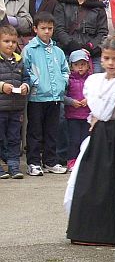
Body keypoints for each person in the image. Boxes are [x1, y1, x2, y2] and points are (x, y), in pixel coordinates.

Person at [64, 36, 115, 245]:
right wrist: (94, 118)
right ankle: (88, 230)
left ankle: (112, 231)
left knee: (114, 183)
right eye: (107, 58)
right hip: (99, 135)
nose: (110, 63)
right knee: (92, 181)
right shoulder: (94, 81)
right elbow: (96, 110)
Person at [23, 13, 69, 176]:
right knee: (35, 130)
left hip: (55, 97)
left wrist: (63, 82)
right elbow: (25, 70)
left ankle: (50, 160)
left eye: (50, 28)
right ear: (35, 29)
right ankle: (33, 162)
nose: (47, 32)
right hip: (36, 97)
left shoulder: (58, 51)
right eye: (43, 28)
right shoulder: (29, 49)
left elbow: (65, 70)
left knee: (52, 130)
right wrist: (35, 82)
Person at [53, 0, 108, 73]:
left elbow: (102, 33)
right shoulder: (62, 4)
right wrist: (74, 46)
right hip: (67, 54)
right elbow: (59, 29)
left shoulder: (98, 6)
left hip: (92, 56)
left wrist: (89, 48)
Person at [0, 25, 29, 179]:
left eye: (13, 41)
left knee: (14, 138)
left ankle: (13, 166)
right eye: (6, 41)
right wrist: (2, 86)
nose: (10, 44)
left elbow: (27, 78)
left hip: (16, 108)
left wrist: (26, 86)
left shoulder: (19, 61)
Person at [63, 49, 92, 170]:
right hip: (72, 116)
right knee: (73, 140)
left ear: (87, 65)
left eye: (82, 64)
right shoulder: (68, 80)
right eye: (76, 65)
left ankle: (84, 161)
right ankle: (72, 161)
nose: (80, 67)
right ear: (71, 66)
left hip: (87, 116)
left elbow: (96, 94)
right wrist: (71, 102)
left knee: (86, 140)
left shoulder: (91, 79)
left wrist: (88, 100)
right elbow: (62, 96)